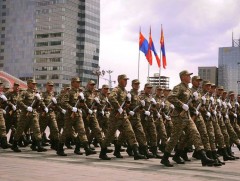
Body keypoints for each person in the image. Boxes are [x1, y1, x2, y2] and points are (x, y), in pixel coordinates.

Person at [160, 70, 214, 167]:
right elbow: (171, 98)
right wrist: (181, 105)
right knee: (174, 138)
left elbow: (189, 104)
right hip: (178, 116)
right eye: (188, 75)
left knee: (195, 134)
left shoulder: (188, 90)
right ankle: (165, 158)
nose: (189, 77)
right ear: (183, 77)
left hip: (187, 116)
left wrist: (194, 106)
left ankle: (203, 157)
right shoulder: (178, 87)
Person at [99, 74, 146, 160]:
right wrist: (118, 107)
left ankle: (136, 153)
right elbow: (110, 97)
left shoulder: (125, 91)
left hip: (124, 116)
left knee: (130, 132)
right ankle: (102, 152)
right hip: (115, 116)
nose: (126, 82)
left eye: (126, 80)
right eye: (124, 80)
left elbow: (127, 104)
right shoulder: (116, 89)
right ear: (120, 80)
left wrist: (127, 103)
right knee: (110, 135)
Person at [57, 77, 96, 156]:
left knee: (82, 131)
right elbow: (63, 102)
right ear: (72, 83)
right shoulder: (69, 92)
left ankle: (86, 148)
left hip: (78, 114)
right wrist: (72, 108)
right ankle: (60, 149)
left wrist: (87, 109)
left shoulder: (80, 92)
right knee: (66, 132)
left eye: (79, 82)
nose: (78, 83)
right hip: (70, 116)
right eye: (77, 82)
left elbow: (82, 103)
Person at [11, 79, 47, 152]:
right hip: (25, 114)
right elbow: (19, 101)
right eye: (32, 83)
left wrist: (44, 106)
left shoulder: (36, 93)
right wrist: (26, 107)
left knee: (37, 129)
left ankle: (39, 145)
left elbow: (39, 103)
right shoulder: (24, 92)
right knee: (20, 130)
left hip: (33, 114)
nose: (34, 85)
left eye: (35, 84)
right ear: (28, 84)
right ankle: (14, 145)